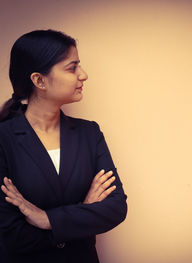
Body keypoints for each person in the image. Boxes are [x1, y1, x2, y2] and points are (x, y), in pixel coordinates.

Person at [0, 29, 127, 263]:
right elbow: (11, 236)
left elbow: (117, 207)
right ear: (39, 80)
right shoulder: (3, 139)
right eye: (72, 68)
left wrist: (47, 219)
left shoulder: (89, 133)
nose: (84, 75)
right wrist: (83, 212)